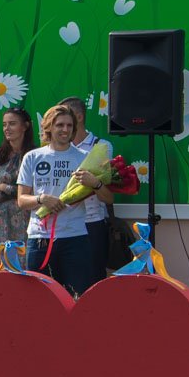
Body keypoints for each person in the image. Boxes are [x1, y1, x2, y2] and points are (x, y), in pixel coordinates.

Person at [16, 105, 101, 297]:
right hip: (40, 239)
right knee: (39, 298)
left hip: (75, 237)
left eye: (69, 125)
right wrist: (41, 199)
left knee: (76, 296)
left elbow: (107, 197)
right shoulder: (33, 157)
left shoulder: (84, 158)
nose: (65, 130)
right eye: (60, 125)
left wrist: (96, 183)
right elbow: (21, 200)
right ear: (48, 127)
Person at [63, 95, 112, 285]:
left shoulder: (101, 146)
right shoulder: (56, 148)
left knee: (93, 280)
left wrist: (93, 183)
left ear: (79, 117)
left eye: (65, 116)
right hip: (63, 222)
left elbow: (108, 194)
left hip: (92, 222)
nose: (62, 125)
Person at [0, 108, 35, 245]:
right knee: (1, 261)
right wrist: (19, 192)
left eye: (12, 123)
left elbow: (36, 191)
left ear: (25, 126)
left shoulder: (36, 155)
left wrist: (5, 187)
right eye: (4, 124)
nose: (7, 128)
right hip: (0, 222)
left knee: (24, 261)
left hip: (27, 219)